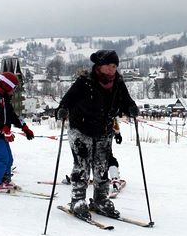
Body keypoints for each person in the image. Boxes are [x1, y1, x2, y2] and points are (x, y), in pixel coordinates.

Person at [56, 50, 138, 220]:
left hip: (104, 130)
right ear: (99, 66)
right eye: (108, 66)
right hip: (81, 128)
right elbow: (68, 99)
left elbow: (126, 101)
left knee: (102, 165)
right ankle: (78, 200)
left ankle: (101, 200)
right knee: (83, 164)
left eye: (114, 66)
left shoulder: (118, 82)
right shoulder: (85, 81)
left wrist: (131, 108)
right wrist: (62, 109)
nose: (112, 69)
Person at [0, 72, 34, 191]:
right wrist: (5, 130)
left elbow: (13, 116)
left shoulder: (5, 99)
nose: (14, 91)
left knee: (9, 158)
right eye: (13, 87)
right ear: (6, 85)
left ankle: (5, 179)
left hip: (2, 134)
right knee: (1, 159)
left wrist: (24, 127)